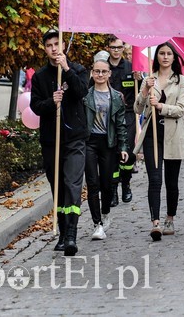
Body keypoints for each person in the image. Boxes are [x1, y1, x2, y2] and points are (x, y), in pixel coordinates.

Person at [30, 29, 89, 256]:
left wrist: (66, 69)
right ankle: (63, 233)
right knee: (59, 187)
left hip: (74, 138)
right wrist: (50, 102)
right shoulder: (40, 76)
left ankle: (72, 235)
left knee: (73, 184)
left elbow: (82, 91)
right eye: (49, 45)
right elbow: (36, 106)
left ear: (63, 46)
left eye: (57, 44)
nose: (54, 49)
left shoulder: (77, 70)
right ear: (44, 49)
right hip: (51, 140)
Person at [134, 42, 184, 241]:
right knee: (155, 179)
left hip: (173, 133)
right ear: (156, 56)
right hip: (153, 134)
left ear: (174, 57)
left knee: (171, 181)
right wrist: (144, 92)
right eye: (161, 53)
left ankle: (170, 217)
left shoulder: (181, 81)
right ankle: (155, 222)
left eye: (169, 53)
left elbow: (181, 109)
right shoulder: (149, 80)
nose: (165, 57)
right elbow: (137, 109)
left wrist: (160, 106)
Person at [83, 51, 129, 241]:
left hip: (108, 143)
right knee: (92, 183)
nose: (100, 75)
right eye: (96, 71)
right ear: (92, 73)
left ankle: (106, 212)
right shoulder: (85, 96)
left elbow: (121, 124)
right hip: (89, 142)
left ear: (109, 74)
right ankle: (97, 224)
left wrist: (124, 147)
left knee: (107, 183)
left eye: (104, 72)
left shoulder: (116, 97)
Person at [105, 35, 138, 206]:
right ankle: (113, 191)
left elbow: (139, 93)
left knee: (128, 153)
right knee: (112, 155)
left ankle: (126, 184)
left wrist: (140, 79)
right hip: (108, 117)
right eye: (113, 47)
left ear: (123, 48)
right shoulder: (103, 68)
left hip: (127, 115)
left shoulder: (132, 68)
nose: (116, 50)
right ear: (108, 48)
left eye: (119, 47)